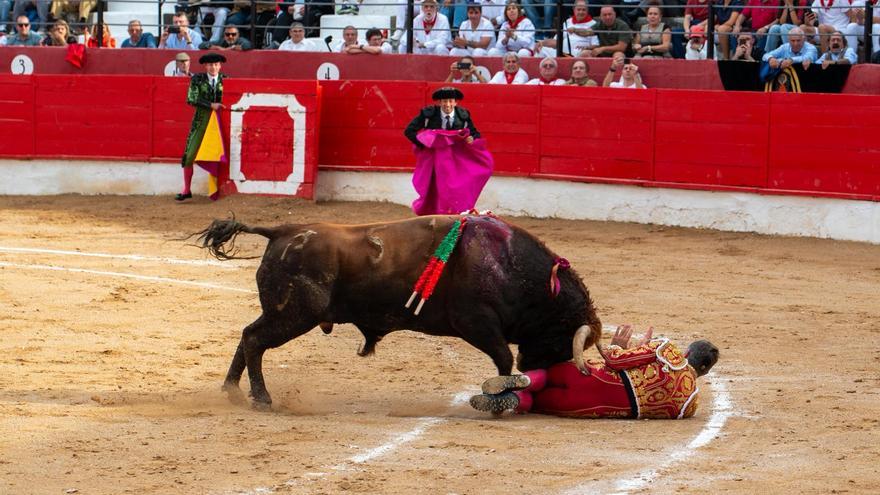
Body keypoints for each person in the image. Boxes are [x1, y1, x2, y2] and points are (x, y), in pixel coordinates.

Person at [469, 325, 720, 419]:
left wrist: (619, 347)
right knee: (535, 404)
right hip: (589, 407)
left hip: (593, 376)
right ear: (704, 372)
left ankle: (524, 380)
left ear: (686, 353)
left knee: (546, 375)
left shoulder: (668, 351)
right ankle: (515, 400)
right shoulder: (690, 405)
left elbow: (614, 360)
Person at [403, 87, 493, 216]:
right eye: (444, 101)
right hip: (434, 157)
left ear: (456, 102)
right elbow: (409, 131)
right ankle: (435, 211)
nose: (448, 105)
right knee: (435, 185)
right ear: (439, 102)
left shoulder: (463, 115)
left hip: (455, 158)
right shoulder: (428, 114)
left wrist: (471, 138)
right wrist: (424, 144)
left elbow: (475, 133)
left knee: (454, 185)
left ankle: (455, 210)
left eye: (451, 101)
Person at [178, 52, 226, 202]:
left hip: (221, 121)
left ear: (220, 66)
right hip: (201, 120)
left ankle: (221, 191)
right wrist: (211, 105)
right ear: (205, 66)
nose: (213, 67)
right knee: (189, 154)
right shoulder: (197, 79)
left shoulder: (226, 80)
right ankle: (186, 189)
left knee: (221, 153)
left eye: (216, 64)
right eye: (210, 65)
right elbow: (191, 98)